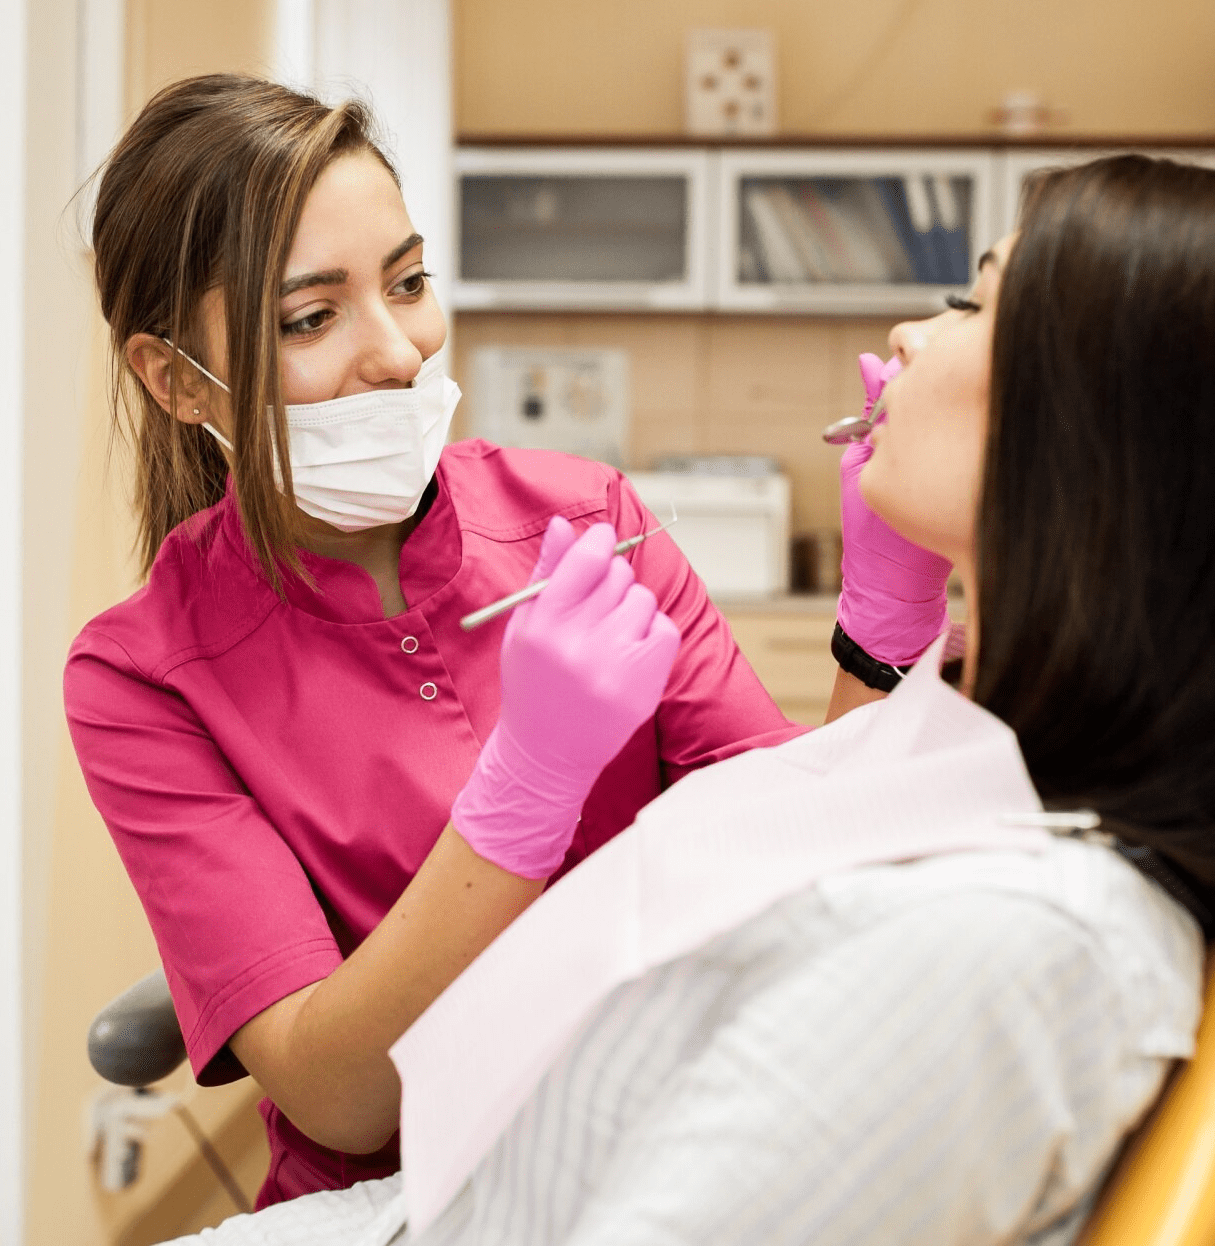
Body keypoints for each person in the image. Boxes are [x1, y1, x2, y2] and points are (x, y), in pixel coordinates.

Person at [160, 153, 1215, 1245]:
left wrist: (881, 631)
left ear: (1109, 443)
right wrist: (882, 637)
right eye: (309, 316)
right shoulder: (1003, 777)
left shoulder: (993, 954)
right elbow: (807, 838)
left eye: (971, 305)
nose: (907, 338)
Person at [63, 74, 947, 1206]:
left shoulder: (587, 520)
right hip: (412, 1201)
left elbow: (800, 874)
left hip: (672, 1148)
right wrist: (526, 784)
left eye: (408, 284)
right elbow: (340, 1099)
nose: (399, 351)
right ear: (177, 380)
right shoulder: (142, 676)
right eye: (311, 318)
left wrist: (881, 631)